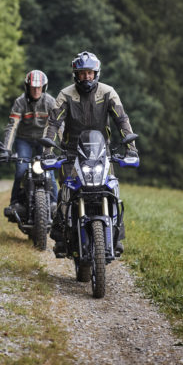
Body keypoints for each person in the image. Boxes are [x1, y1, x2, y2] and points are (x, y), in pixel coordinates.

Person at [42, 51, 139, 256]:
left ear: (97, 73)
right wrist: (48, 151)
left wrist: (131, 149)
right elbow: (53, 123)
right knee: (66, 194)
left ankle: (116, 236)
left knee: (111, 190)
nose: (86, 77)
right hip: (71, 153)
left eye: (90, 73)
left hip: (101, 152)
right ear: (75, 74)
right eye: (82, 73)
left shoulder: (108, 92)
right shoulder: (65, 94)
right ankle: (60, 236)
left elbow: (122, 119)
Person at [0, 70, 58, 214]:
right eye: (33, 87)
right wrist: (7, 149)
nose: (36, 90)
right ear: (27, 87)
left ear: (44, 88)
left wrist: (63, 145)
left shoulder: (50, 101)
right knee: (21, 170)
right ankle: (14, 203)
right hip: (23, 140)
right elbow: (12, 126)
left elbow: (58, 125)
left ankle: (55, 204)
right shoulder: (20, 102)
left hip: (44, 141)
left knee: (49, 172)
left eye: (39, 87)